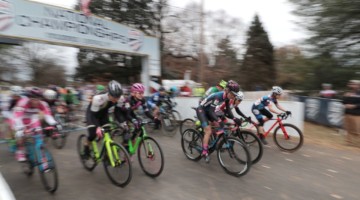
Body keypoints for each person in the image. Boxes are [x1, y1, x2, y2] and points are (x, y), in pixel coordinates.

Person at [196, 80, 242, 162]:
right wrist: (219, 120)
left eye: (235, 95)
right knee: (208, 130)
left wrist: (234, 119)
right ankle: (204, 151)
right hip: (202, 110)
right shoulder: (218, 96)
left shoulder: (227, 97)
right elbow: (211, 111)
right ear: (227, 91)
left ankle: (212, 142)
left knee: (218, 125)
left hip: (209, 111)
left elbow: (228, 110)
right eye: (232, 94)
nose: (233, 97)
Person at [13, 88, 60, 162]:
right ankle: (20, 151)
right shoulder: (23, 103)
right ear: (29, 98)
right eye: (33, 99)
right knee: (21, 135)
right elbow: (17, 117)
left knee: (39, 133)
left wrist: (54, 124)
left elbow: (48, 115)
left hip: (32, 118)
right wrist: (21, 129)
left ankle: (41, 152)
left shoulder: (43, 104)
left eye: (37, 99)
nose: (36, 101)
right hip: (20, 119)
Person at [83, 80, 124, 157]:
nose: (116, 99)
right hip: (92, 113)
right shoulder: (99, 98)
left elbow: (117, 112)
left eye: (117, 97)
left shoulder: (120, 98)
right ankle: (86, 146)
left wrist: (122, 123)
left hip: (103, 113)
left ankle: (107, 151)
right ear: (109, 93)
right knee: (92, 134)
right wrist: (98, 127)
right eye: (114, 97)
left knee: (108, 132)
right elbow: (94, 115)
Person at [342, 80, 360, 147]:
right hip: (347, 113)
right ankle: (349, 142)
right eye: (351, 84)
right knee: (348, 129)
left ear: (358, 85)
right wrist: (345, 97)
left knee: (357, 130)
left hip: (357, 114)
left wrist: (354, 106)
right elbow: (343, 102)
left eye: (354, 84)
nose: (352, 85)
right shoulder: (348, 93)